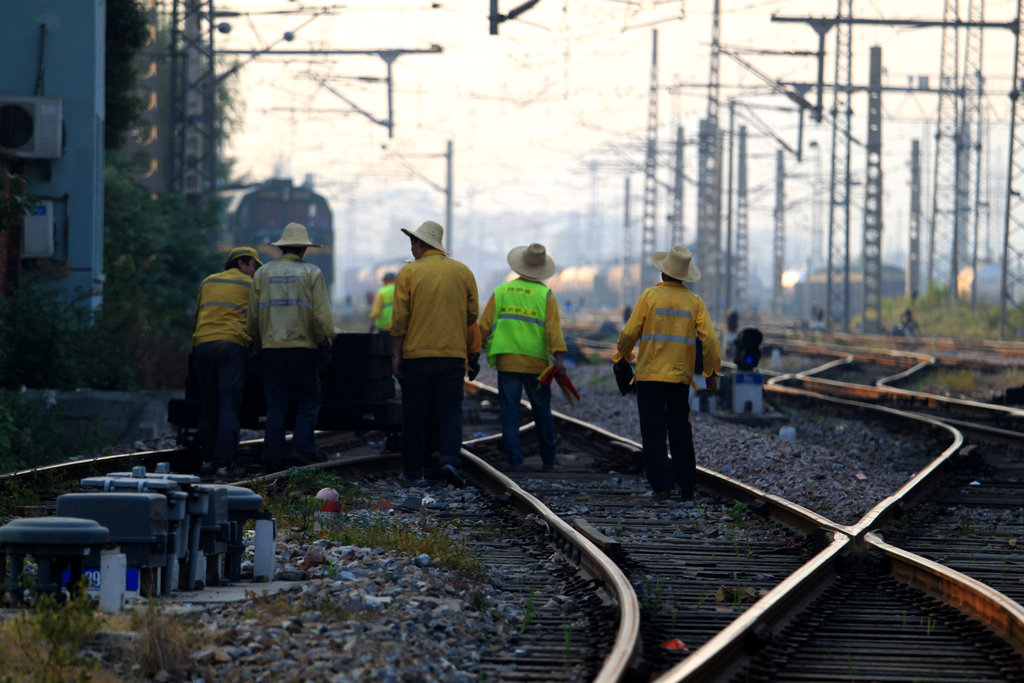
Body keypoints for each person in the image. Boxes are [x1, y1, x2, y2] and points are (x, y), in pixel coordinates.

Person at [615, 245, 721, 501]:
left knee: (653, 432)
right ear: (684, 276)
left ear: (663, 273)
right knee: (680, 430)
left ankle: (662, 486)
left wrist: (623, 356)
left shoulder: (650, 297)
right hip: (679, 379)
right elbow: (711, 342)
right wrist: (710, 373)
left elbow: (629, 333)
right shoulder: (694, 302)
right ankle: (686, 486)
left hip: (650, 377)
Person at [391, 220, 478, 487]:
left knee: (414, 414)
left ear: (421, 244)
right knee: (450, 410)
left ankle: (414, 470)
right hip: (451, 355)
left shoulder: (408, 273)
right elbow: (472, 314)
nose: (412, 249)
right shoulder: (462, 271)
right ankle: (449, 460)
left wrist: (396, 356)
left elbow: (399, 320)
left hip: (417, 355)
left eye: (413, 243)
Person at [246, 222, 334, 473]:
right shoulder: (312, 273)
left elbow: (252, 316)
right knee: (308, 399)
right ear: (304, 249)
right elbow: (321, 316)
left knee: (275, 404)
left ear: (282, 248)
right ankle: (302, 449)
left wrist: (254, 341)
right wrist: (325, 341)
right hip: (303, 348)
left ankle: (272, 456)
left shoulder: (263, 273)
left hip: (271, 349)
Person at [479, 243, 567, 472]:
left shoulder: (502, 291)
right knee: (542, 412)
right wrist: (559, 359)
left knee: (510, 412)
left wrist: (475, 350)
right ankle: (548, 459)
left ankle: (514, 460)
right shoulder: (545, 294)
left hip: (507, 360)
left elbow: (484, 325)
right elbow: (553, 331)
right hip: (536, 363)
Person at [192, 246, 262, 478]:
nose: (255, 272)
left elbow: (198, 315)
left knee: (207, 404)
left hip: (203, 344)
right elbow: (256, 319)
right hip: (231, 344)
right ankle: (224, 464)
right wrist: (255, 346)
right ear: (242, 263)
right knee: (228, 405)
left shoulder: (208, 282)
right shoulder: (250, 285)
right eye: (254, 266)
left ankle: (206, 461)